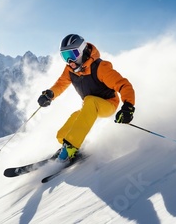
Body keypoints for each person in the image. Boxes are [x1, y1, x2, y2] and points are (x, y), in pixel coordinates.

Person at [37, 34, 135, 162]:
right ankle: (69, 145)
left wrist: (128, 107)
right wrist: (50, 94)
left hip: (108, 104)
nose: (70, 61)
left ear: (83, 50)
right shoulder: (70, 70)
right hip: (90, 107)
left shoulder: (100, 67)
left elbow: (124, 85)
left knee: (89, 101)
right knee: (63, 134)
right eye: (65, 56)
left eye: (72, 55)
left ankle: (71, 146)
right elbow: (61, 84)